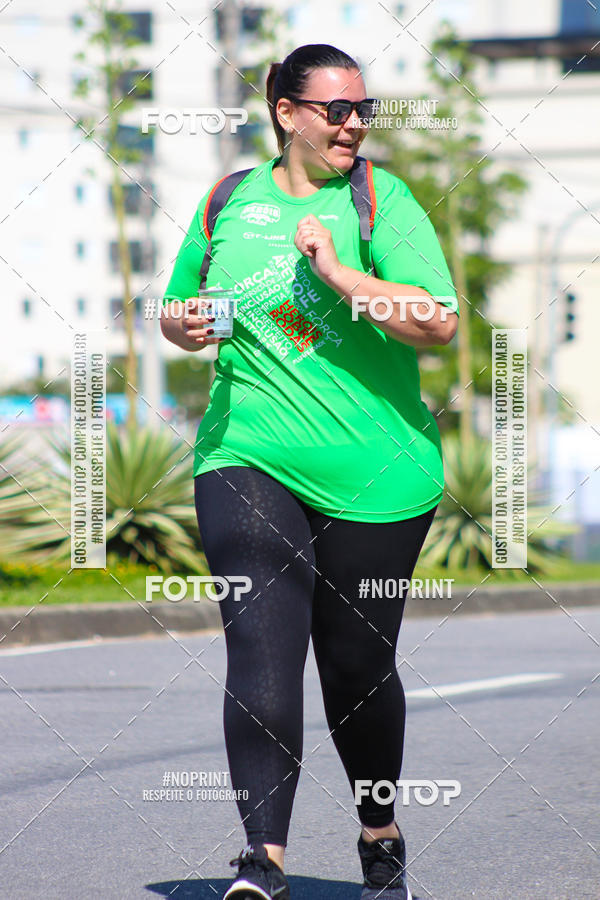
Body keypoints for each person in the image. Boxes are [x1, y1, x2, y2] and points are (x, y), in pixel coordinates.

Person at [161, 43, 458, 900]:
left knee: (357, 670)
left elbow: (436, 324)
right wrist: (184, 326)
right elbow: (186, 305)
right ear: (286, 113)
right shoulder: (228, 201)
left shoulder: (380, 200)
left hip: (378, 473)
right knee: (259, 643)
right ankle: (263, 862)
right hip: (246, 451)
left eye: (364, 108)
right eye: (337, 109)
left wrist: (338, 271)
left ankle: (380, 830)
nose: (355, 123)